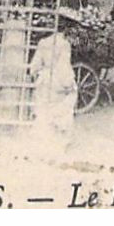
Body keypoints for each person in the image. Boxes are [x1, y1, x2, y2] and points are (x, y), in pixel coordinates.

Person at [28, 8, 79, 147]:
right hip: (57, 80)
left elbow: (34, 66)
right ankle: (60, 140)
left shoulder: (43, 42)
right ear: (66, 30)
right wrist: (69, 84)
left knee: (44, 109)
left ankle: (42, 140)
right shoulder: (64, 45)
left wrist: (36, 75)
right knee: (64, 105)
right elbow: (64, 67)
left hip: (44, 79)